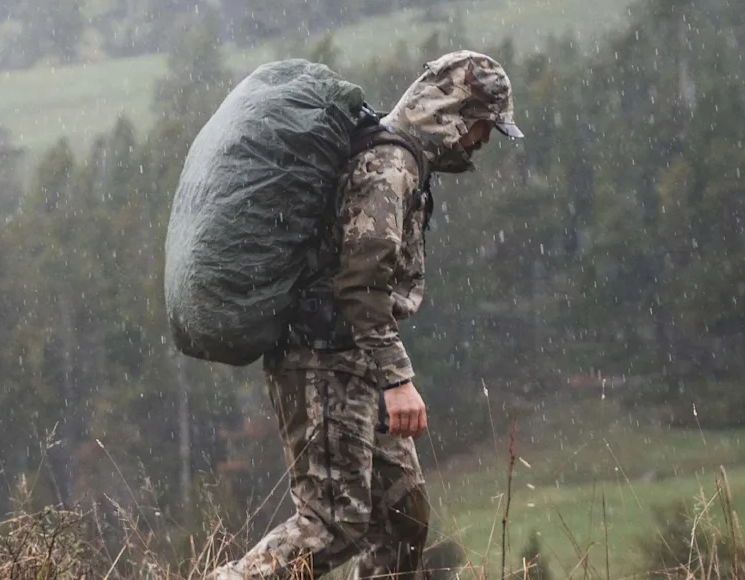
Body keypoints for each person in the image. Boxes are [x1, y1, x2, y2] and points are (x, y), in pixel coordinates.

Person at [207, 50, 524, 580]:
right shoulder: (388, 167)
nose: (481, 142)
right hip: (325, 361)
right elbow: (361, 283)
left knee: (402, 522)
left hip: (354, 360)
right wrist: (398, 379)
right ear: (454, 112)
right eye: (481, 126)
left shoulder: (401, 162)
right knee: (331, 526)